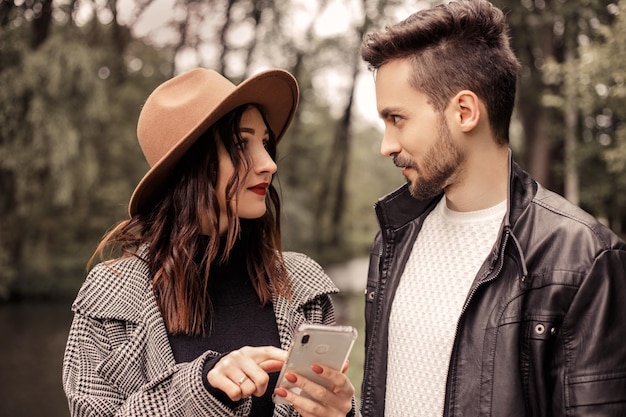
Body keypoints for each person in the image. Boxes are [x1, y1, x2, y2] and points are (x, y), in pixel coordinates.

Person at [358, 0, 626, 416]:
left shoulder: (583, 257)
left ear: (464, 111)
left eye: (397, 119)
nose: (386, 145)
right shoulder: (393, 239)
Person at [62, 68, 357, 417]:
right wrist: (203, 387)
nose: (269, 164)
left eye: (265, 143)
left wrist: (341, 413)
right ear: (190, 164)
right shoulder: (112, 294)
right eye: (240, 144)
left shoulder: (300, 281)